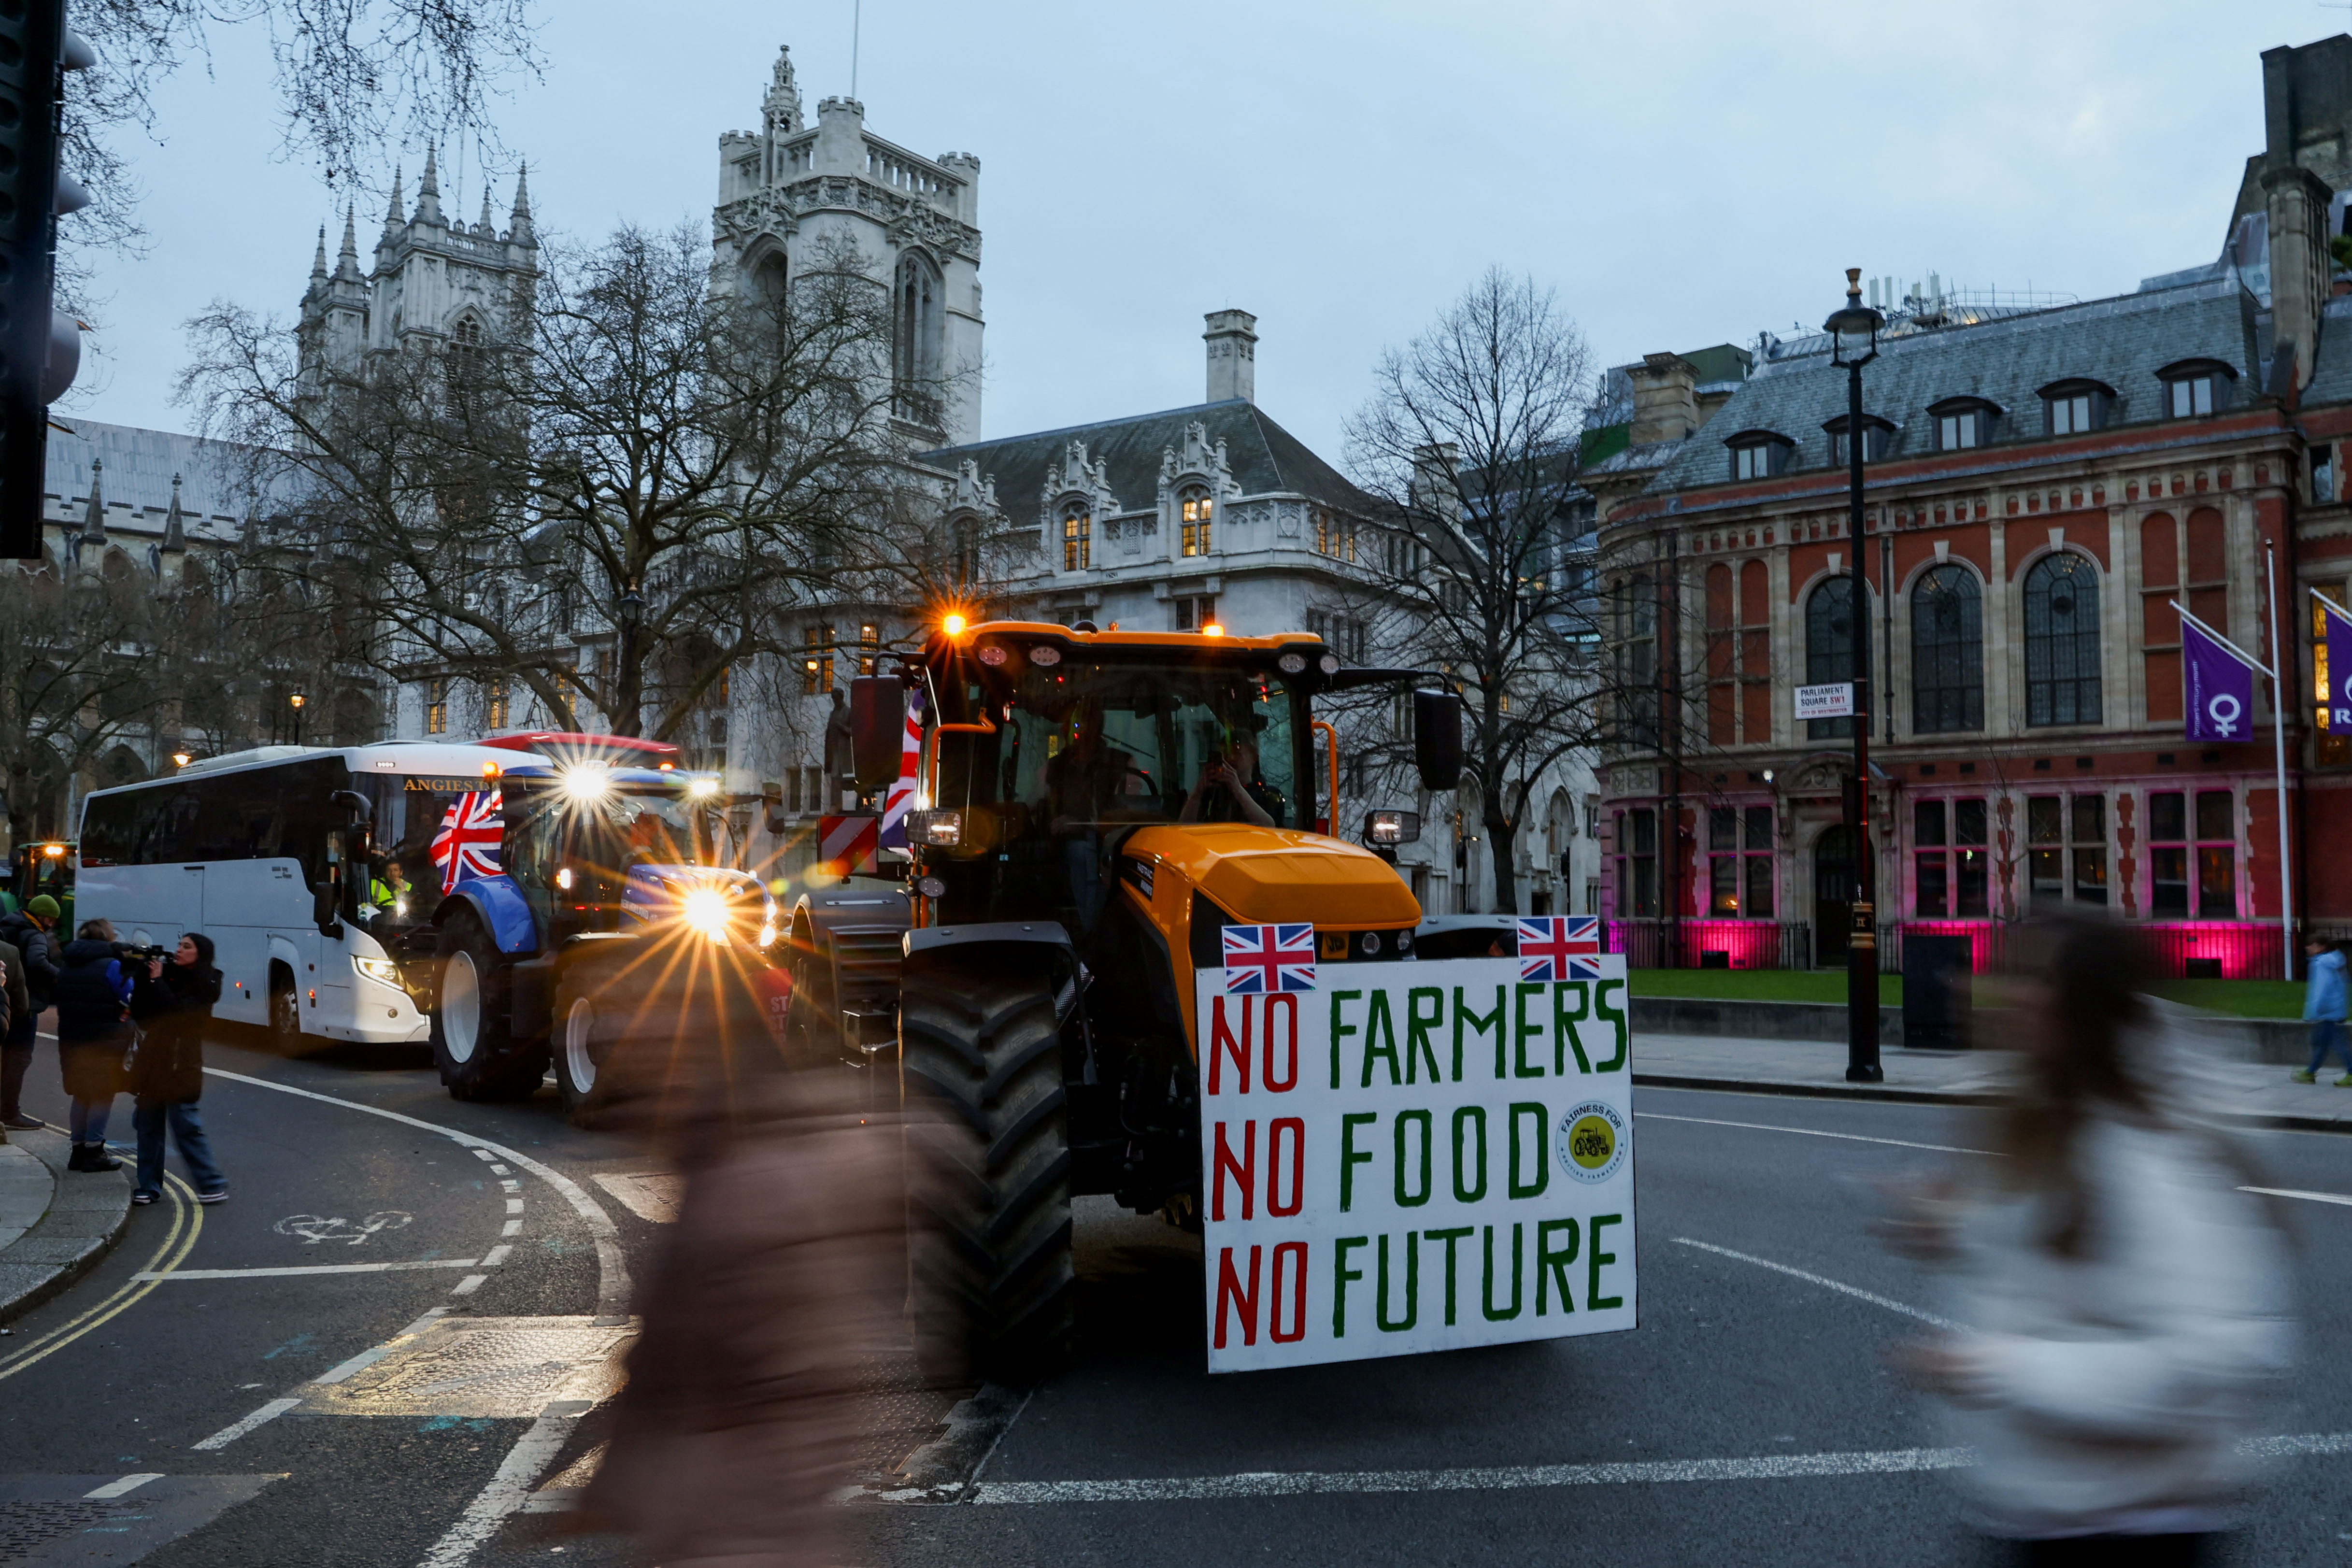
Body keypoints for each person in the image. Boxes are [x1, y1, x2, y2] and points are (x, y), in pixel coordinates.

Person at [1885, 912, 2295, 1563]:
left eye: (2033, 979)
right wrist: (1954, 1231)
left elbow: (2214, 1355)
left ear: (2085, 1004)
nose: (2001, 994)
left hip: (2130, 1531)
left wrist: (2000, 1366)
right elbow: (2062, 1273)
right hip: (2045, 1514)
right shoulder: (2056, 1122)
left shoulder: (2143, 1151)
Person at [128, 933, 225, 1206]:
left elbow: (179, 1017)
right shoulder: (164, 975)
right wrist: (144, 979)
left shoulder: (208, 982)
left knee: (187, 1128)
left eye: (187, 946)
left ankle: (212, 1183)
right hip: (153, 1062)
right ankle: (148, 1187)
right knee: (148, 1129)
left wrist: (158, 982)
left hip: (181, 1065)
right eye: (179, 945)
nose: (179, 950)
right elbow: (142, 1014)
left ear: (200, 953)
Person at [52, 917, 132, 1172]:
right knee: (102, 1093)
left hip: (72, 1038)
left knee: (81, 1093)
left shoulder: (68, 964)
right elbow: (131, 997)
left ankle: (77, 1153)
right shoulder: (112, 966)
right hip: (104, 1040)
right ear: (108, 938)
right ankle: (95, 1151)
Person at [0, 894, 60, 1130]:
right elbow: (37, 962)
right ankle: (9, 1113)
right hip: (26, 1003)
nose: (53, 924)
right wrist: (59, 977)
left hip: (6, 1002)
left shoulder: (10, 925)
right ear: (44, 917)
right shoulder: (35, 934)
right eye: (52, 920)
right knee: (19, 1059)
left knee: (7, 1059)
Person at [1180, 736, 1282, 828]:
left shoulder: (1268, 794)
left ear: (1254, 758)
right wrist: (1198, 792)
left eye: (1238, 753)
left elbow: (1271, 826)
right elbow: (1183, 827)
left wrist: (1238, 789)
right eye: (1226, 754)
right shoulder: (1214, 793)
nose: (1231, 758)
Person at [2293, 936, 2351, 1085]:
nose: (2307, 948)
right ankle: (2310, 1072)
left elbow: (2320, 989)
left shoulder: (2321, 964)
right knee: (2321, 1042)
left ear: (2321, 947)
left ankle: (2351, 1072)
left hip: (2327, 1012)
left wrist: (2313, 1012)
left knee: (2337, 1044)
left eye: (2310, 945)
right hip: (2334, 1009)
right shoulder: (2335, 961)